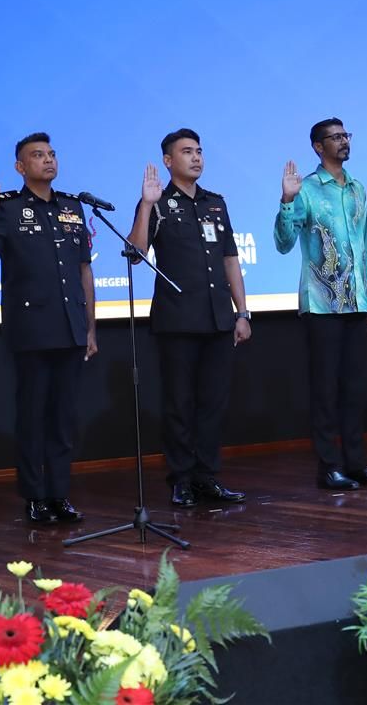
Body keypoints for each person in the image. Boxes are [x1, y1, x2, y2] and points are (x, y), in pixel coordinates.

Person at [0, 133, 97, 525]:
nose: (48, 160)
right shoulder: (7, 208)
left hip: (71, 328)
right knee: (33, 417)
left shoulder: (72, 207)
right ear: (20, 167)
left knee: (63, 419)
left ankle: (59, 494)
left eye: (51, 154)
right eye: (38, 155)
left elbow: (84, 271)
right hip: (32, 331)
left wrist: (90, 328)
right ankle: (34, 497)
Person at [127, 128, 250, 507]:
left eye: (198, 151)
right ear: (168, 161)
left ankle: (207, 477)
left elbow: (230, 259)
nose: (196, 157)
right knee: (179, 404)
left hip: (218, 319)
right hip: (178, 321)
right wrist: (146, 206)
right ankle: (181, 479)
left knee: (213, 404)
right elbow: (135, 253)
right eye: (186, 152)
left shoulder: (216, 203)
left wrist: (242, 312)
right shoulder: (158, 203)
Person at [273, 119, 367, 491]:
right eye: (336, 137)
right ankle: (328, 466)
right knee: (326, 390)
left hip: (356, 304)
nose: (344, 141)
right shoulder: (307, 189)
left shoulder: (358, 189)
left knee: (355, 389)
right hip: (322, 306)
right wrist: (287, 201)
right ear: (318, 146)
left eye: (346, 136)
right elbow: (283, 243)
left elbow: (366, 250)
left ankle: (357, 464)